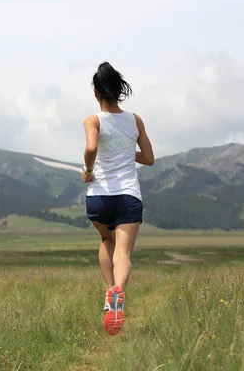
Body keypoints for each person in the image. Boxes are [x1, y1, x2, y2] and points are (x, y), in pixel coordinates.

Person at [81, 62, 154, 335]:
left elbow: (90, 148)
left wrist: (88, 170)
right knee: (123, 252)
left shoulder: (93, 121)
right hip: (128, 195)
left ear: (96, 92)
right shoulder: (135, 120)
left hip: (99, 195)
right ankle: (118, 294)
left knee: (106, 240)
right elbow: (148, 158)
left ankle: (108, 293)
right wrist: (125, 153)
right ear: (118, 90)